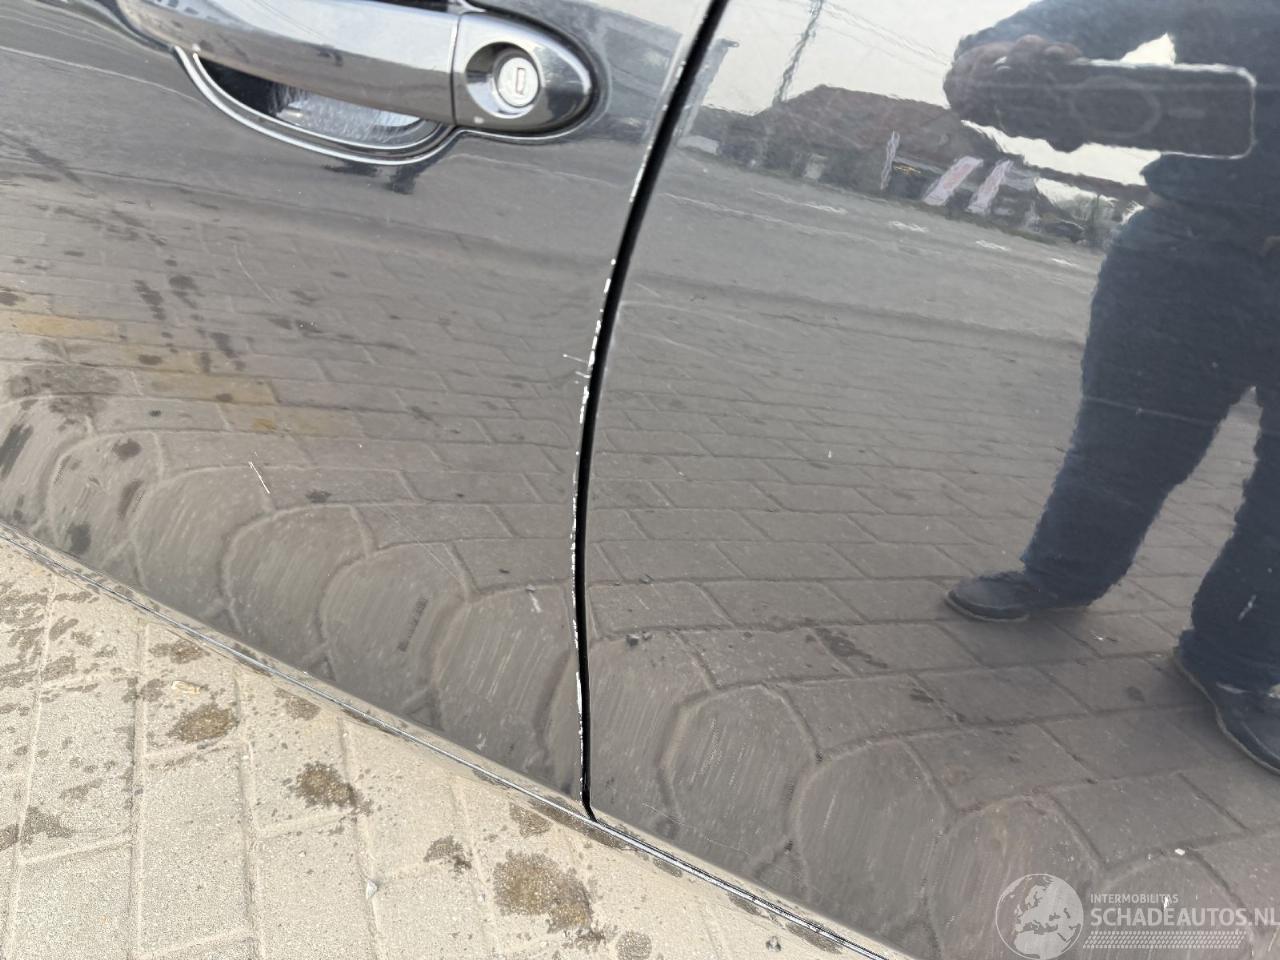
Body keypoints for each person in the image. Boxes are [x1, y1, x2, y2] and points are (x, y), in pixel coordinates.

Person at [942, 0, 1280, 772]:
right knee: (1127, 447)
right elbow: (1089, 13)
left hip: (1193, 244)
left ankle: (1235, 661)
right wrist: (1002, 56)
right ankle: (1062, 575)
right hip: (1193, 247)